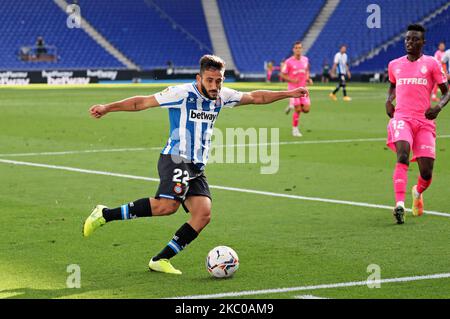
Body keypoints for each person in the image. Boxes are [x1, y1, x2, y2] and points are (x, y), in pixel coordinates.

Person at [83, 55, 309, 274]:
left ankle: (160, 259)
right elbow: (141, 102)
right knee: (167, 206)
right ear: (199, 78)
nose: (214, 85)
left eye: (219, 80)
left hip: (197, 166)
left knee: (202, 214)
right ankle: (104, 214)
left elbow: (256, 97)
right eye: (209, 80)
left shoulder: (222, 96)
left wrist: (289, 93)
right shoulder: (181, 93)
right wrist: (107, 108)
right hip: (176, 158)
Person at [385, 24, 449, 224]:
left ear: (423, 42)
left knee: (426, 172)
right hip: (402, 118)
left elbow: (447, 91)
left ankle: (417, 191)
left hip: (424, 121)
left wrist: (438, 107)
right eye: (407, 39)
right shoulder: (394, 64)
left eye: (414, 39)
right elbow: (393, 85)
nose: (409, 42)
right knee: (402, 155)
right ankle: (399, 205)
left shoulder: (431, 64)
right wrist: (388, 100)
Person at [280, 41, 313, 137]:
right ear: (293, 49)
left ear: (302, 49)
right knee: (298, 109)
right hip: (293, 89)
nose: (298, 49)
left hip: (303, 89)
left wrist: (308, 78)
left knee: (306, 109)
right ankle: (295, 130)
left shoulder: (305, 60)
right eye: (296, 48)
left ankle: (291, 105)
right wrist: (291, 80)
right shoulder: (288, 62)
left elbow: (306, 71)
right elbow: (282, 74)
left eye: (299, 48)